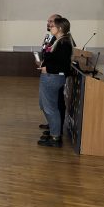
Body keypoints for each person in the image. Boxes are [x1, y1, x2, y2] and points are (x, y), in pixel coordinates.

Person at [37, 17, 74, 148]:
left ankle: (55, 137)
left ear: (60, 28)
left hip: (53, 78)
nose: (50, 27)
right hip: (49, 77)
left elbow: (64, 66)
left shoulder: (64, 43)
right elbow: (54, 59)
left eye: (52, 26)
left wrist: (48, 68)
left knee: (51, 108)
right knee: (44, 105)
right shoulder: (58, 41)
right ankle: (53, 130)